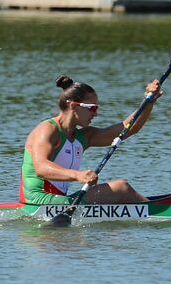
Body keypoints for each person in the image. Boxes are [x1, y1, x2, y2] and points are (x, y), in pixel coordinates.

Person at [21, 74, 163, 205]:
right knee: (121, 188)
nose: (96, 114)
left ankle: (149, 209)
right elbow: (41, 168)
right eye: (93, 108)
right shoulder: (47, 129)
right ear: (74, 106)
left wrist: (149, 101)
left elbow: (127, 128)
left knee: (117, 214)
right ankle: (157, 212)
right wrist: (78, 175)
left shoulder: (83, 137)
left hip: (60, 201)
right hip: (38, 201)